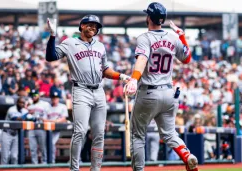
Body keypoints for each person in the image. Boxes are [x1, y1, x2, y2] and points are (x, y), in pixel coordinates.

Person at [46, 15, 130, 171]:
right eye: (90, 24)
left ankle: (95, 169)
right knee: (80, 131)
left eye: (96, 26)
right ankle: (74, 169)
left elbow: (105, 70)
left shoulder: (100, 46)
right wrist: (52, 36)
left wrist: (122, 76)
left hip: (99, 90)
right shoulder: (70, 43)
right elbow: (50, 56)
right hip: (81, 90)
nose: (93, 27)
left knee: (99, 133)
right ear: (82, 26)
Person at [124, 2, 198, 171]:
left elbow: (142, 59)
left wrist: (134, 79)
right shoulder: (173, 37)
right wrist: (182, 36)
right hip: (169, 93)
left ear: (149, 17)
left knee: (137, 135)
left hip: (149, 92)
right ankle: (187, 155)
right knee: (170, 134)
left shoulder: (145, 37)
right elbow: (187, 59)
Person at [0, 97, 28, 164]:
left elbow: (33, 119)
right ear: (17, 103)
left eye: (23, 103)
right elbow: (16, 119)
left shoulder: (24, 110)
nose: (22, 104)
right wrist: (27, 114)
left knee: (14, 156)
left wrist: (28, 114)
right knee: (5, 157)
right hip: (7, 133)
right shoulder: (11, 109)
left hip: (16, 134)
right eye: (21, 102)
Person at [43, 91, 68, 163]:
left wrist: (53, 121)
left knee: (51, 143)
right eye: (53, 98)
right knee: (45, 145)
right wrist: (54, 121)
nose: (55, 99)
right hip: (48, 130)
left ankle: (52, 161)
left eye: (56, 98)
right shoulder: (47, 107)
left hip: (57, 130)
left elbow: (64, 119)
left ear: (58, 99)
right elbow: (44, 120)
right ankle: (46, 161)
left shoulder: (62, 106)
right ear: (51, 98)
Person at [27, 89, 51, 164]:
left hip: (42, 127)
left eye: (35, 95)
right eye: (32, 95)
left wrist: (44, 119)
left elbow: (49, 116)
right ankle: (34, 164)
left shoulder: (45, 104)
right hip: (31, 128)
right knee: (32, 148)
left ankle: (44, 163)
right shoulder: (29, 106)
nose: (34, 97)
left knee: (43, 147)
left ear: (38, 95)